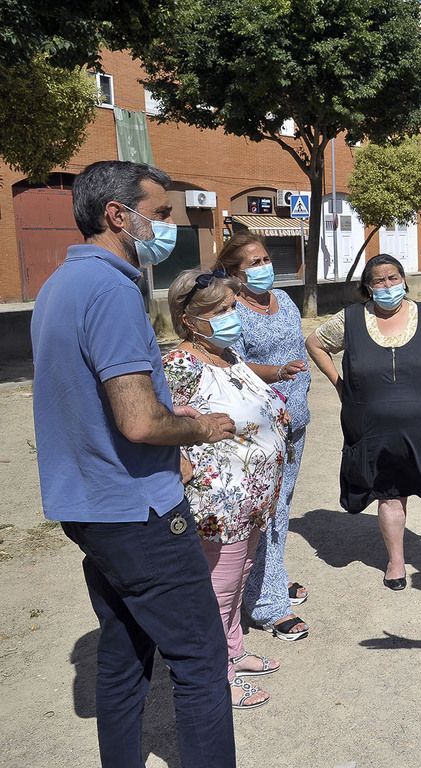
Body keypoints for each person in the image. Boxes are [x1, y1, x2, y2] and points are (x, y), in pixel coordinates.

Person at [30, 160, 238, 767]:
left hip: (89, 507)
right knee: (201, 661)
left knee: (123, 656)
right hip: (137, 511)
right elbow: (140, 420)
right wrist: (202, 426)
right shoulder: (113, 291)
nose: (168, 226)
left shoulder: (57, 287)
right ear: (119, 215)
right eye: (163, 214)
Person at [306, 254, 421, 590]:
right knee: (389, 495)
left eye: (393, 278)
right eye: (378, 280)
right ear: (367, 287)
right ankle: (396, 562)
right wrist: (339, 383)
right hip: (377, 430)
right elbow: (315, 343)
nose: (387, 285)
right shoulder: (350, 319)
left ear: (404, 280)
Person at [164, 268, 297, 709]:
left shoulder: (228, 356)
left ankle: (234, 651)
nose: (230, 317)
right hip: (219, 502)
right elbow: (163, 426)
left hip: (254, 496)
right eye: (219, 311)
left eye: (230, 308)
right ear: (189, 320)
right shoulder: (180, 364)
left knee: (239, 578)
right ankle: (216, 675)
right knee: (218, 588)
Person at [216, 233, 312, 641]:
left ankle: (266, 581)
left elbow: (299, 350)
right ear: (233, 274)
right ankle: (268, 605)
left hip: (296, 422)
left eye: (266, 259)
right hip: (260, 426)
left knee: (282, 507)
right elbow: (232, 367)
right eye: (253, 263)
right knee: (265, 512)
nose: (263, 268)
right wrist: (277, 379)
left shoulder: (284, 300)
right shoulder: (231, 311)